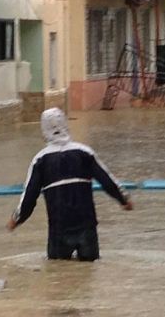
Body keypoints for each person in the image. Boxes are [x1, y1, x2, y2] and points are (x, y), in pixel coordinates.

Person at [7, 107, 133, 261]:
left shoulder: (40, 160)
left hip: (59, 229)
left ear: (43, 130)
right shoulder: (84, 152)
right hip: (87, 226)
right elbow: (107, 180)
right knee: (89, 270)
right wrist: (124, 199)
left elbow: (29, 197)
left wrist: (16, 219)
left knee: (58, 273)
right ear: (66, 125)